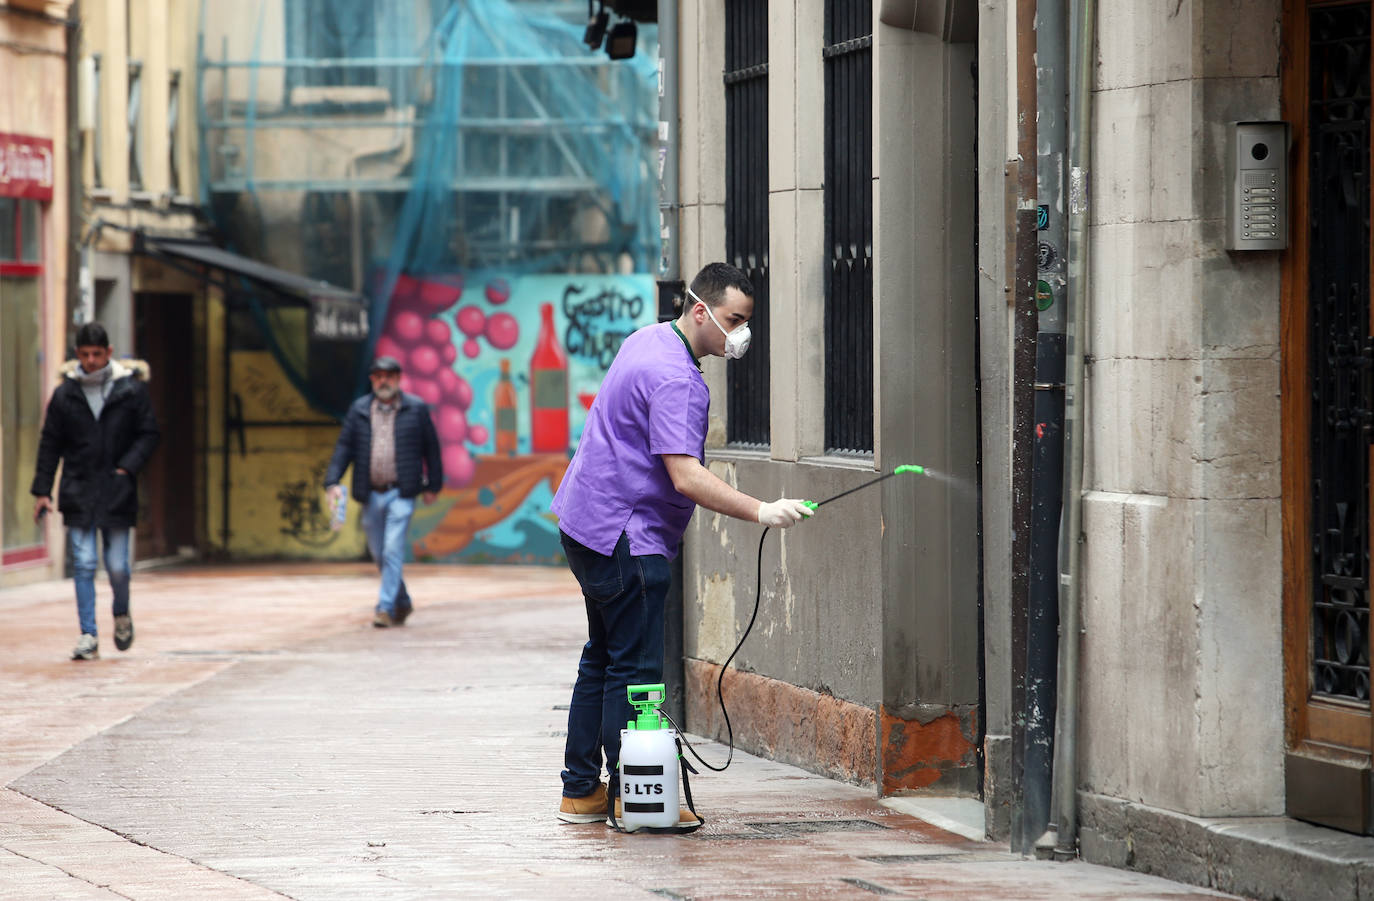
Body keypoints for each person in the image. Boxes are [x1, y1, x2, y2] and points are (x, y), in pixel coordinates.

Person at [551, 261, 813, 830]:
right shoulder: (679, 381)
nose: (740, 333)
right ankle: (633, 796)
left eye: (746, 321)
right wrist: (762, 510)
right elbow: (685, 476)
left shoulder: (646, 339)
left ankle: (581, 792)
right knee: (636, 671)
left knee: (603, 655)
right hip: (628, 537)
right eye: (733, 320)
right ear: (700, 310)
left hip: (585, 523)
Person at [31, 322, 160, 661]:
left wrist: (126, 467)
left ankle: (121, 613)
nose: (90, 361)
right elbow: (50, 443)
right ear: (77, 354)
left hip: (117, 488)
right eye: (84, 354)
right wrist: (43, 489)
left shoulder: (130, 390)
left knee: (118, 565)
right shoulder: (65, 395)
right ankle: (88, 634)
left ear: (109, 353)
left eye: (96, 354)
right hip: (78, 486)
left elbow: (149, 433)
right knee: (85, 563)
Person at [324, 355, 443, 628]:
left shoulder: (416, 409)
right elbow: (344, 447)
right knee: (379, 553)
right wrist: (332, 481)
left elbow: (431, 449)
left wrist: (433, 485)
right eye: (378, 376)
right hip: (371, 493)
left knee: (391, 549)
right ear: (371, 380)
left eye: (388, 376)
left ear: (398, 379)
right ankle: (402, 601)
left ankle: (384, 608)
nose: (383, 381)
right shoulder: (359, 410)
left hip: (402, 492)